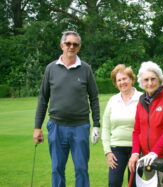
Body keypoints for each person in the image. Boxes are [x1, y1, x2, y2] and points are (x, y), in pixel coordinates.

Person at [32, 30, 100, 187]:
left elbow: (94, 97)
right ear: (61, 45)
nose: (71, 46)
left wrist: (96, 124)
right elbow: (43, 98)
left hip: (80, 127)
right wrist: (37, 127)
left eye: (75, 44)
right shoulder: (51, 68)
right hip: (56, 127)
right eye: (68, 43)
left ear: (79, 47)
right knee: (57, 169)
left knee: (82, 169)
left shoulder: (85, 69)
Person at [128, 61, 163, 187]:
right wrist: (135, 152)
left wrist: (155, 152)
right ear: (141, 83)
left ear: (160, 80)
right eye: (146, 80)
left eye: (153, 79)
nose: (149, 83)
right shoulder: (141, 102)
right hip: (148, 157)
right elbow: (137, 130)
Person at [101, 64, 142, 187]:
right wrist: (108, 152)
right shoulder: (112, 100)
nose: (122, 82)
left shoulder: (142, 98)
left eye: (124, 79)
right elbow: (106, 127)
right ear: (115, 83)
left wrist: (141, 151)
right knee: (114, 183)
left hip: (138, 149)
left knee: (134, 184)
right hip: (117, 149)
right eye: (119, 80)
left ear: (131, 79)